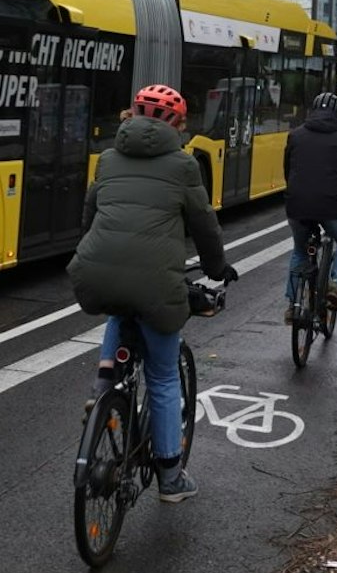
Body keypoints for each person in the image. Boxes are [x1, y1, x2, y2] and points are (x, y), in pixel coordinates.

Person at [68, 84, 235, 504]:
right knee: (162, 377)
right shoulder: (184, 165)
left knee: (119, 303)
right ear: (177, 124)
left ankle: (102, 386)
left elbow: (90, 216)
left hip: (95, 271)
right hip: (156, 286)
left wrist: (91, 254)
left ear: (132, 114)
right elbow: (204, 226)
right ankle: (171, 478)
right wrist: (217, 268)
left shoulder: (108, 158)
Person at [283, 91, 337, 322]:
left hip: (297, 205)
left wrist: (294, 192)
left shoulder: (295, 136)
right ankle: (335, 284)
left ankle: (292, 305)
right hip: (330, 206)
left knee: (300, 250)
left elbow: (287, 170)